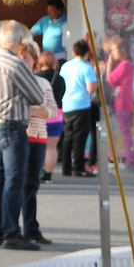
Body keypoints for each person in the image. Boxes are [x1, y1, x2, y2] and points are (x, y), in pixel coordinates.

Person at [0, 20, 45, 250]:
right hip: (12, 125)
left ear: (0, 39)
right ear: (20, 41)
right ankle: (11, 233)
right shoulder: (15, 64)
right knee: (14, 181)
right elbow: (37, 95)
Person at [18, 41, 55, 247]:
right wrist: (34, 110)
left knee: (31, 184)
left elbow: (53, 109)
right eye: (20, 57)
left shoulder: (43, 83)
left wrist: (38, 111)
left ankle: (31, 229)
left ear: (34, 61)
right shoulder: (13, 81)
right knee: (16, 184)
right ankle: (12, 229)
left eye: (26, 57)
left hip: (38, 137)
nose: (23, 61)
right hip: (19, 136)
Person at [57, 40, 100, 177]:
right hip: (82, 105)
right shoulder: (87, 68)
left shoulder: (65, 66)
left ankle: (66, 167)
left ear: (73, 52)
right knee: (79, 138)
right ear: (87, 53)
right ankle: (78, 167)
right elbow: (91, 88)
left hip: (67, 104)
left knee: (68, 136)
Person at [104, 37, 134, 172]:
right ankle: (130, 159)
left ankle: (131, 161)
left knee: (125, 133)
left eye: (114, 50)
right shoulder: (127, 65)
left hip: (121, 103)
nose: (112, 54)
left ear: (122, 50)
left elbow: (110, 80)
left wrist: (109, 65)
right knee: (125, 132)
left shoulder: (125, 65)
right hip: (124, 102)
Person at [35, 50, 65, 181]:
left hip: (39, 114)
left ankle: (36, 171)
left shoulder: (36, 78)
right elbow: (62, 94)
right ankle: (48, 175)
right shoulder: (59, 78)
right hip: (56, 115)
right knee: (51, 147)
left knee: (37, 146)